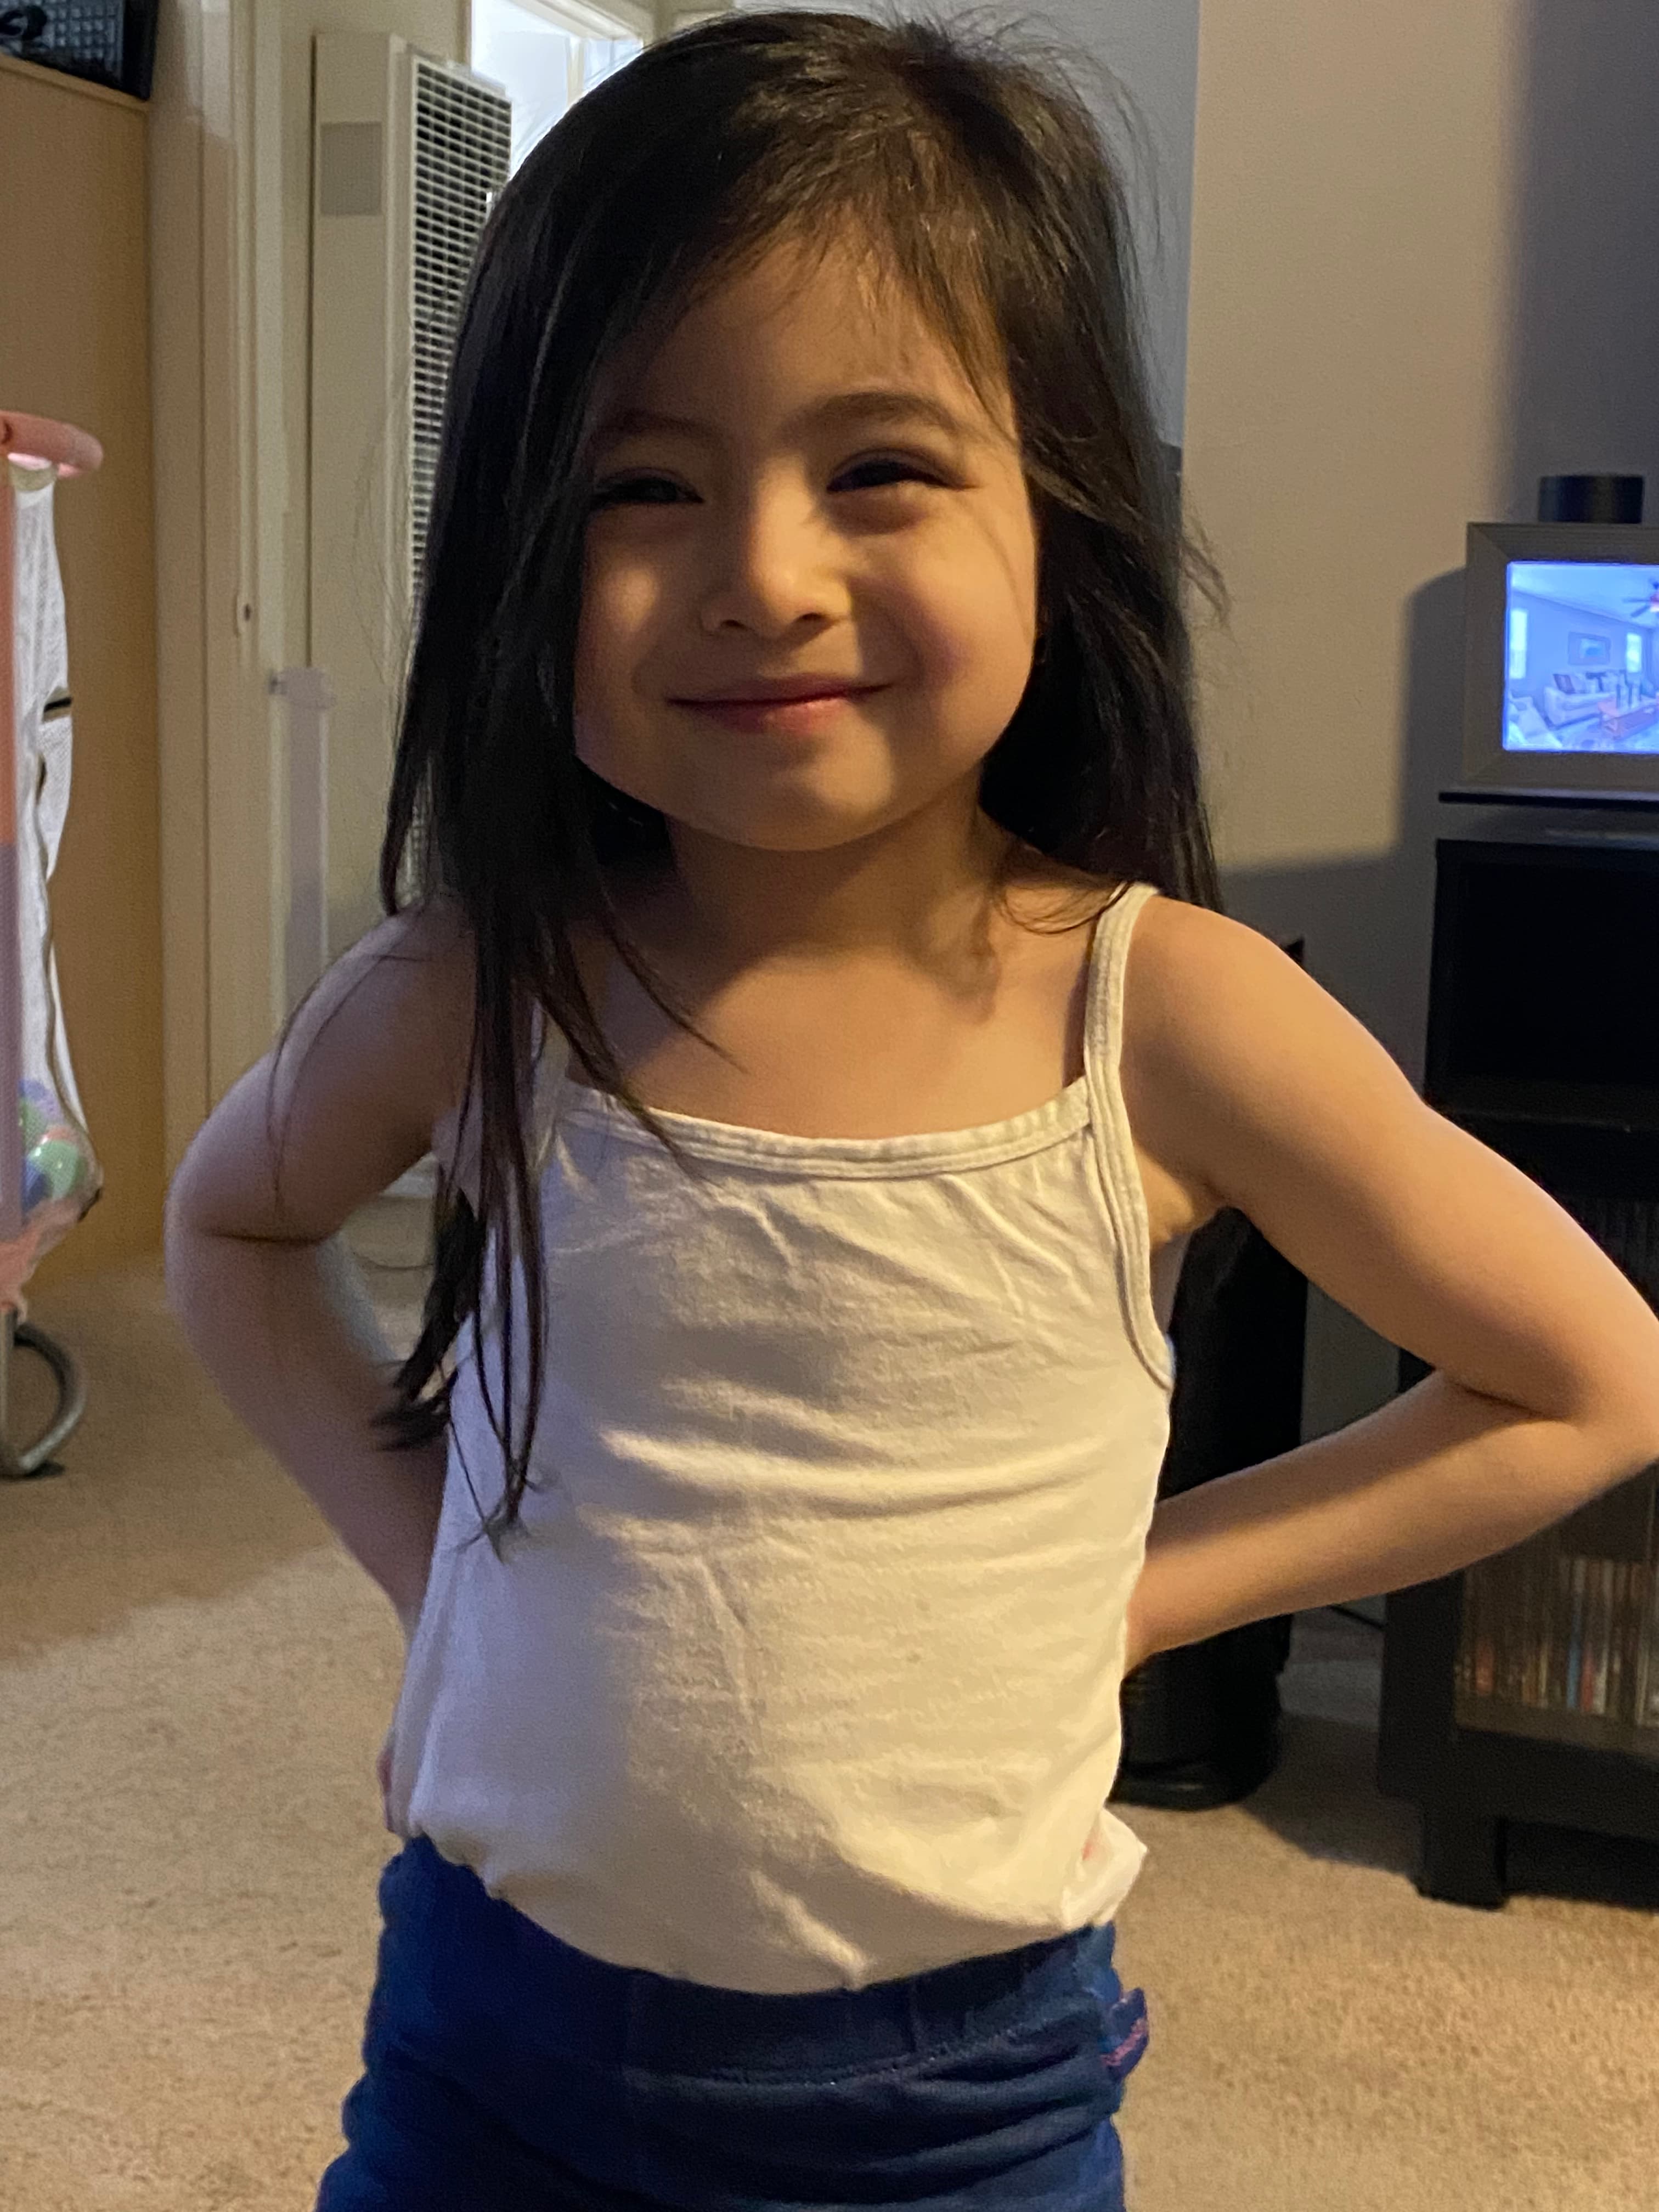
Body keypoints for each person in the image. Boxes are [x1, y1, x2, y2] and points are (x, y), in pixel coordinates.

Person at [162, 12, 1659, 2209]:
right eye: (640, 487)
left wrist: (1149, 1594)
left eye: (877, 470)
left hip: (952, 2094)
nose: (764, 571)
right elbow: (226, 1231)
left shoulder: (1164, 1016)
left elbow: (1589, 1376)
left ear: (1057, 514)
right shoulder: (483, 986)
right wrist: (431, 1579)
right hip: (494, 2035)